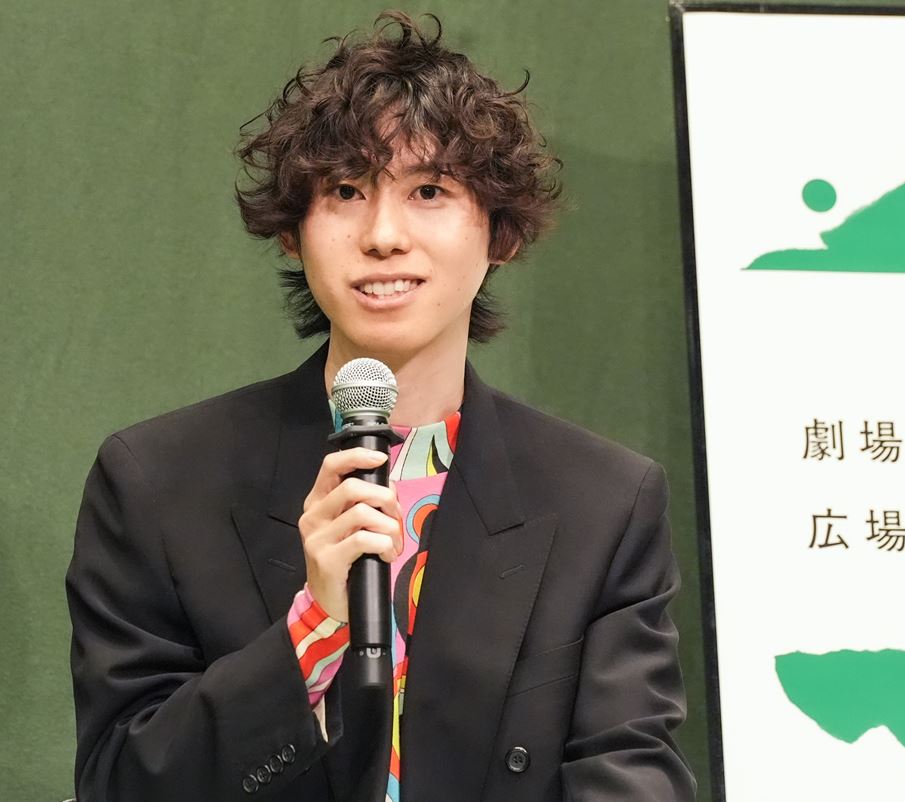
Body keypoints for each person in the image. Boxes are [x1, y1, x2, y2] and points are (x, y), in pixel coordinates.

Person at [66, 11, 695, 802]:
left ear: (501, 233)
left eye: (429, 190)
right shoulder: (159, 482)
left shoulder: (601, 502)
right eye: (345, 191)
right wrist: (313, 629)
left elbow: (630, 773)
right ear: (293, 232)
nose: (383, 235)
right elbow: (122, 782)